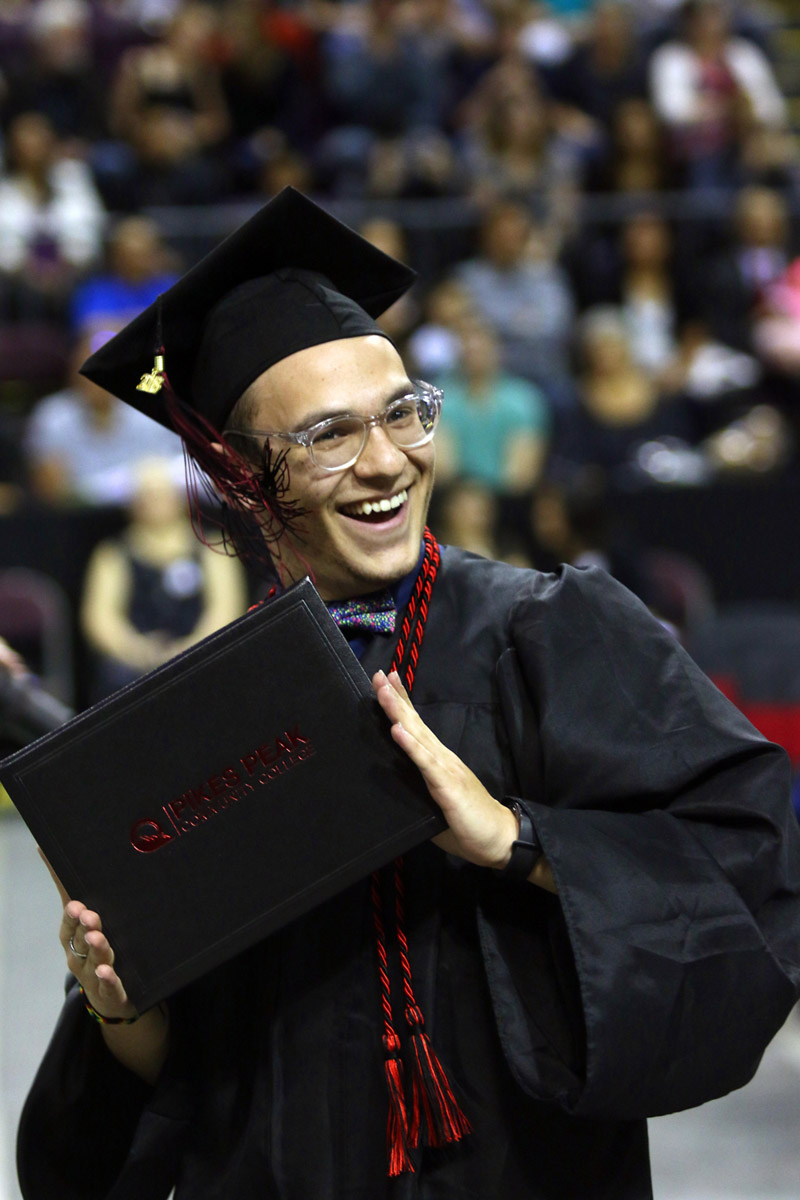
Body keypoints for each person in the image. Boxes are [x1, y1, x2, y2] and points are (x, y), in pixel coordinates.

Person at [17, 187, 800, 1200]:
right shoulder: (198, 716)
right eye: (329, 435)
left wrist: (519, 840)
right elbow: (158, 1093)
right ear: (242, 475)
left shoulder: (552, 631)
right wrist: (118, 1004)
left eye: (401, 412)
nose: (387, 461)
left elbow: (751, 869)